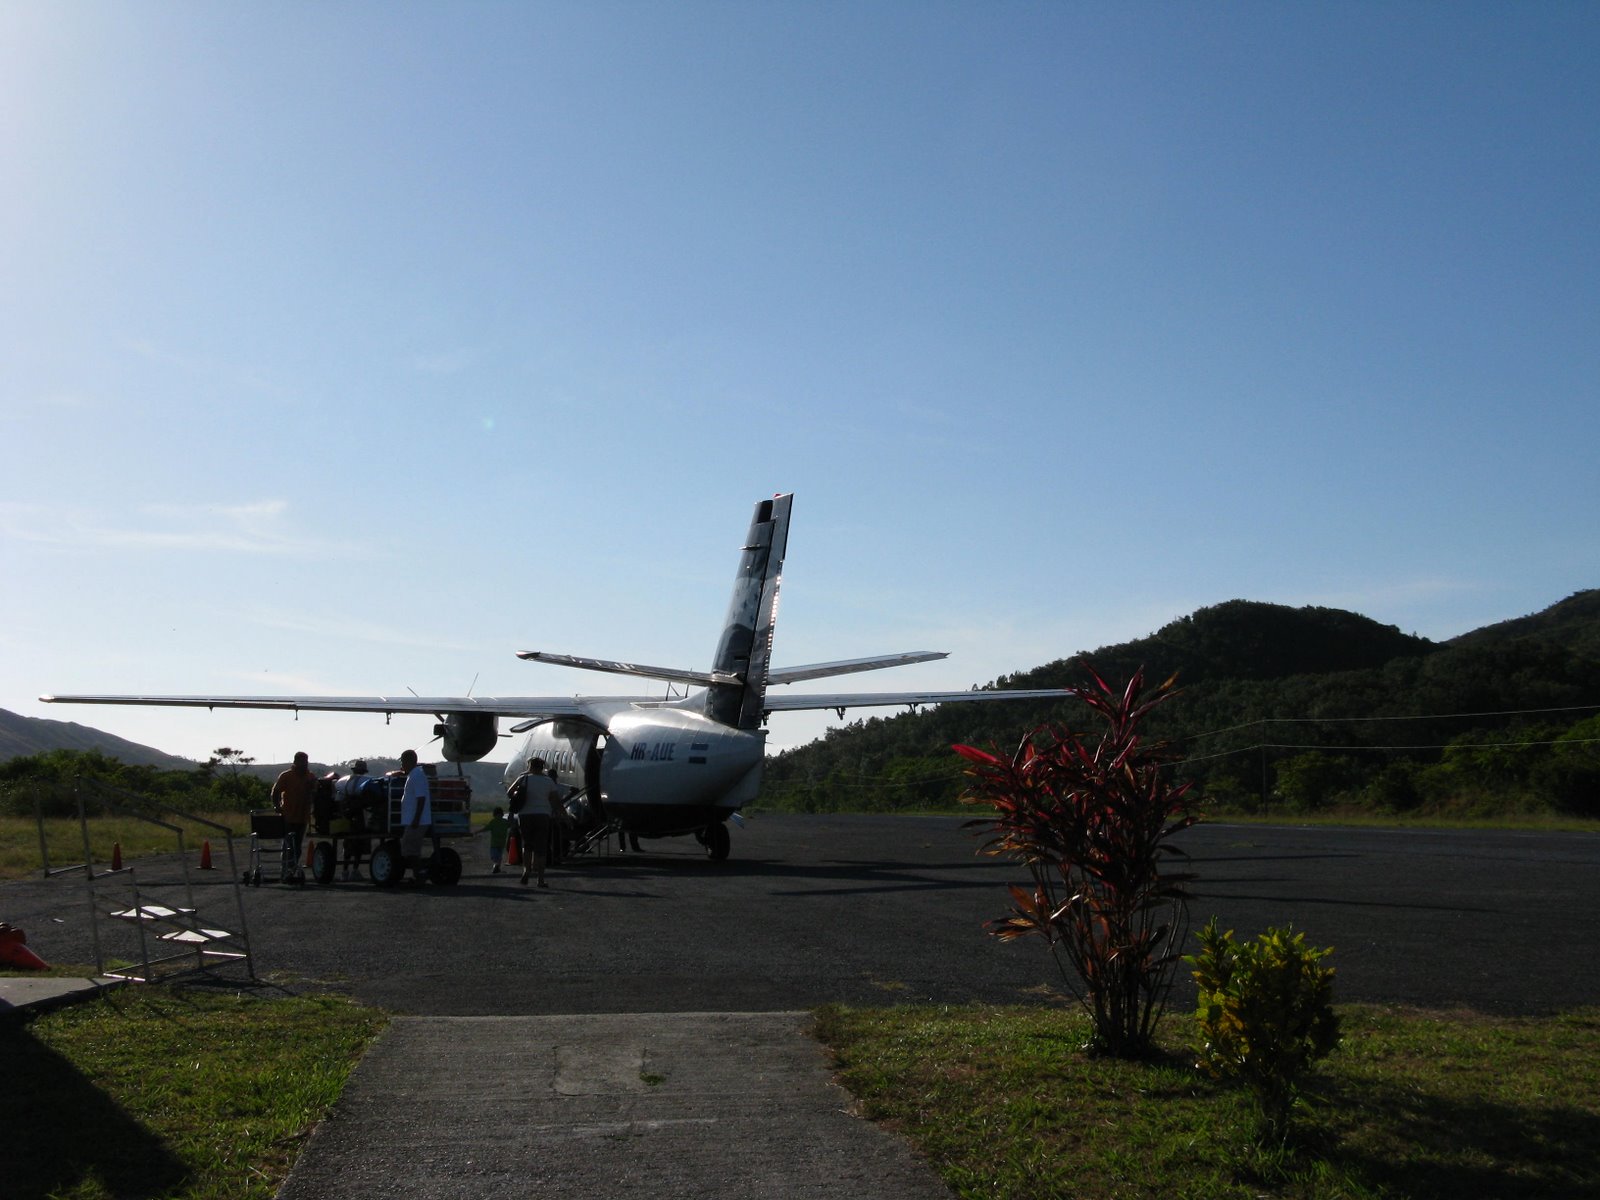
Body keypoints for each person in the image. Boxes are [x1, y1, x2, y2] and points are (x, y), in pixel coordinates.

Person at [506, 755, 559, 887]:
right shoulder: (548, 781)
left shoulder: (523, 778)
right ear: (542, 767)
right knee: (541, 848)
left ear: (530, 766)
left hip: (525, 814)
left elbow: (509, 792)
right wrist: (563, 815)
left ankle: (526, 870)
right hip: (543, 815)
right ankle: (540, 879)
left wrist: (519, 795)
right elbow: (555, 800)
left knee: (527, 845)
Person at [269, 751, 317, 883]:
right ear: (296, 762)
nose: (304, 764)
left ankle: (292, 870)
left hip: (302, 816)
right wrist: (277, 806)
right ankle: (286, 871)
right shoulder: (286, 776)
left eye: (306, 762)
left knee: (297, 847)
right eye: (302, 762)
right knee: (288, 845)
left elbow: (315, 792)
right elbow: (275, 792)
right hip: (288, 816)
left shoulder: (310, 776)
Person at [398, 749, 432, 875]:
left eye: (403, 761)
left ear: (409, 761)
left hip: (417, 821)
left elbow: (421, 798)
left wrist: (416, 819)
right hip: (414, 820)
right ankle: (418, 874)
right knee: (412, 849)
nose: (402, 765)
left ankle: (421, 873)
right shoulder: (414, 774)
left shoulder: (417, 775)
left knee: (409, 849)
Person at [486, 805, 509, 875]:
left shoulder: (493, 822)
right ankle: (497, 868)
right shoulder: (505, 821)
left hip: (495, 844)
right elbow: (511, 824)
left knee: (494, 857)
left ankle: (496, 867)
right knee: (499, 857)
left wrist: (476, 832)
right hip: (501, 843)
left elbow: (486, 828)